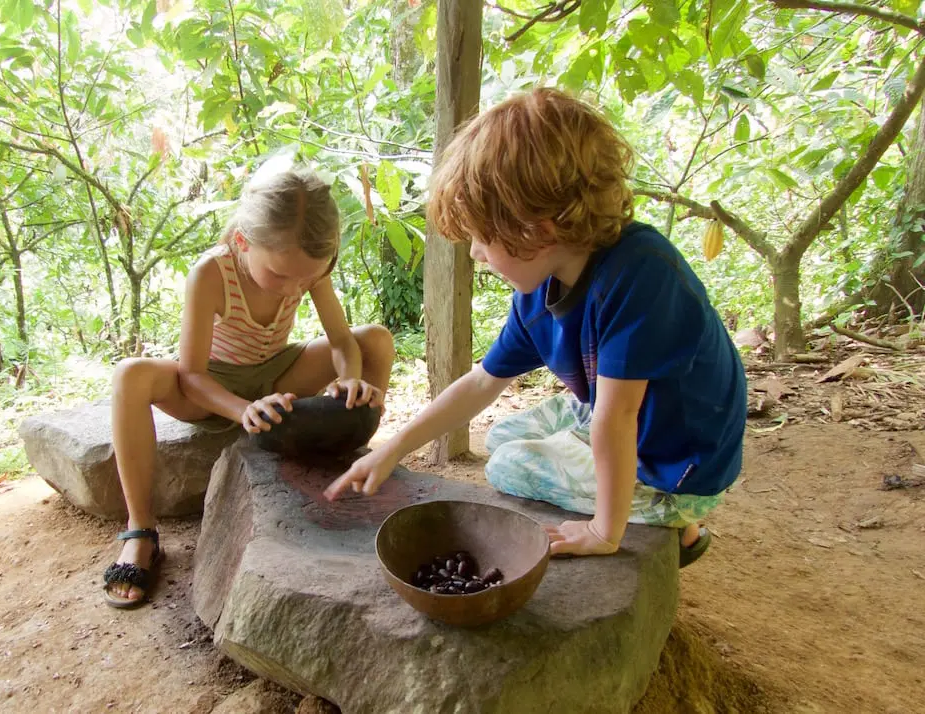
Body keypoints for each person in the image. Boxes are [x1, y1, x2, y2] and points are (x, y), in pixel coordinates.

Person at [325, 88, 746, 566]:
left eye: (482, 238)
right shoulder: (538, 290)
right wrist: (392, 450)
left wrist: (603, 531)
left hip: (680, 462)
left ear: (538, 230)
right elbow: (482, 382)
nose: (475, 254)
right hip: (627, 417)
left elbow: (618, 417)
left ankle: (676, 519)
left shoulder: (642, 275)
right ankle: (648, 505)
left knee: (507, 465)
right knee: (502, 435)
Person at [103, 168, 394, 607]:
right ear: (243, 241)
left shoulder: (305, 268)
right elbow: (192, 375)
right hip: (212, 388)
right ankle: (140, 530)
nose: (294, 288)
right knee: (130, 374)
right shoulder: (212, 272)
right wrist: (243, 410)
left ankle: (348, 446)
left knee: (375, 339)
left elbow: (341, 341)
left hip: (276, 376)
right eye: (280, 276)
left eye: (306, 280)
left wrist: (350, 376)